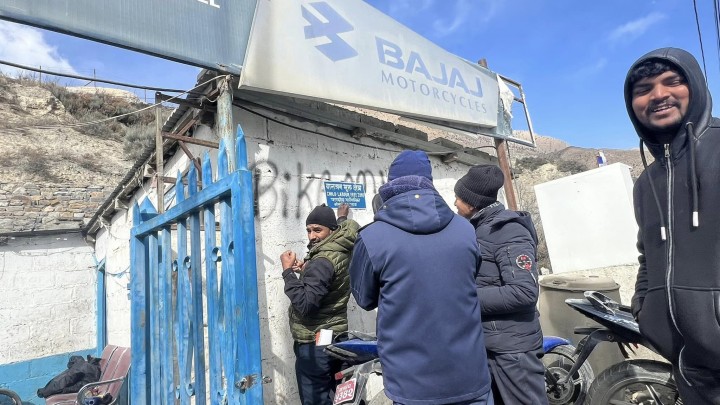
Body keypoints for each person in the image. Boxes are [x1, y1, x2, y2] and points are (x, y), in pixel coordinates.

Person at [349, 150, 493, 405]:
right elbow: (471, 276)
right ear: (429, 183)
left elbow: (365, 299)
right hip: (470, 377)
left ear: (390, 184)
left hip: (412, 385)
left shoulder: (372, 238)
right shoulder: (465, 229)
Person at [626, 47, 720, 404]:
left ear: (694, 86)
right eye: (644, 89)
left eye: (672, 82)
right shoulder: (645, 182)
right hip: (689, 368)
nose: (658, 94)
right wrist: (644, 308)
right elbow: (647, 256)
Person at [453, 165, 547, 405]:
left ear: (472, 203)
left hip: (513, 351)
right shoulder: (480, 229)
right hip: (492, 344)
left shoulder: (508, 231)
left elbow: (524, 292)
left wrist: (464, 299)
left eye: (459, 198)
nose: (455, 203)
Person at [280, 203, 359, 405]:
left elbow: (306, 304)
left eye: (317, 230)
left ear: (331, 230)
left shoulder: (322, 260)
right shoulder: (343, 245)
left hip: (314, 343)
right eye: (308, 230)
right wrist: (307, 270)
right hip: (336, 336)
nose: (312, 236)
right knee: (341, 399)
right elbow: (328, 281)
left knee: (316, 400)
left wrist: (288, 272)